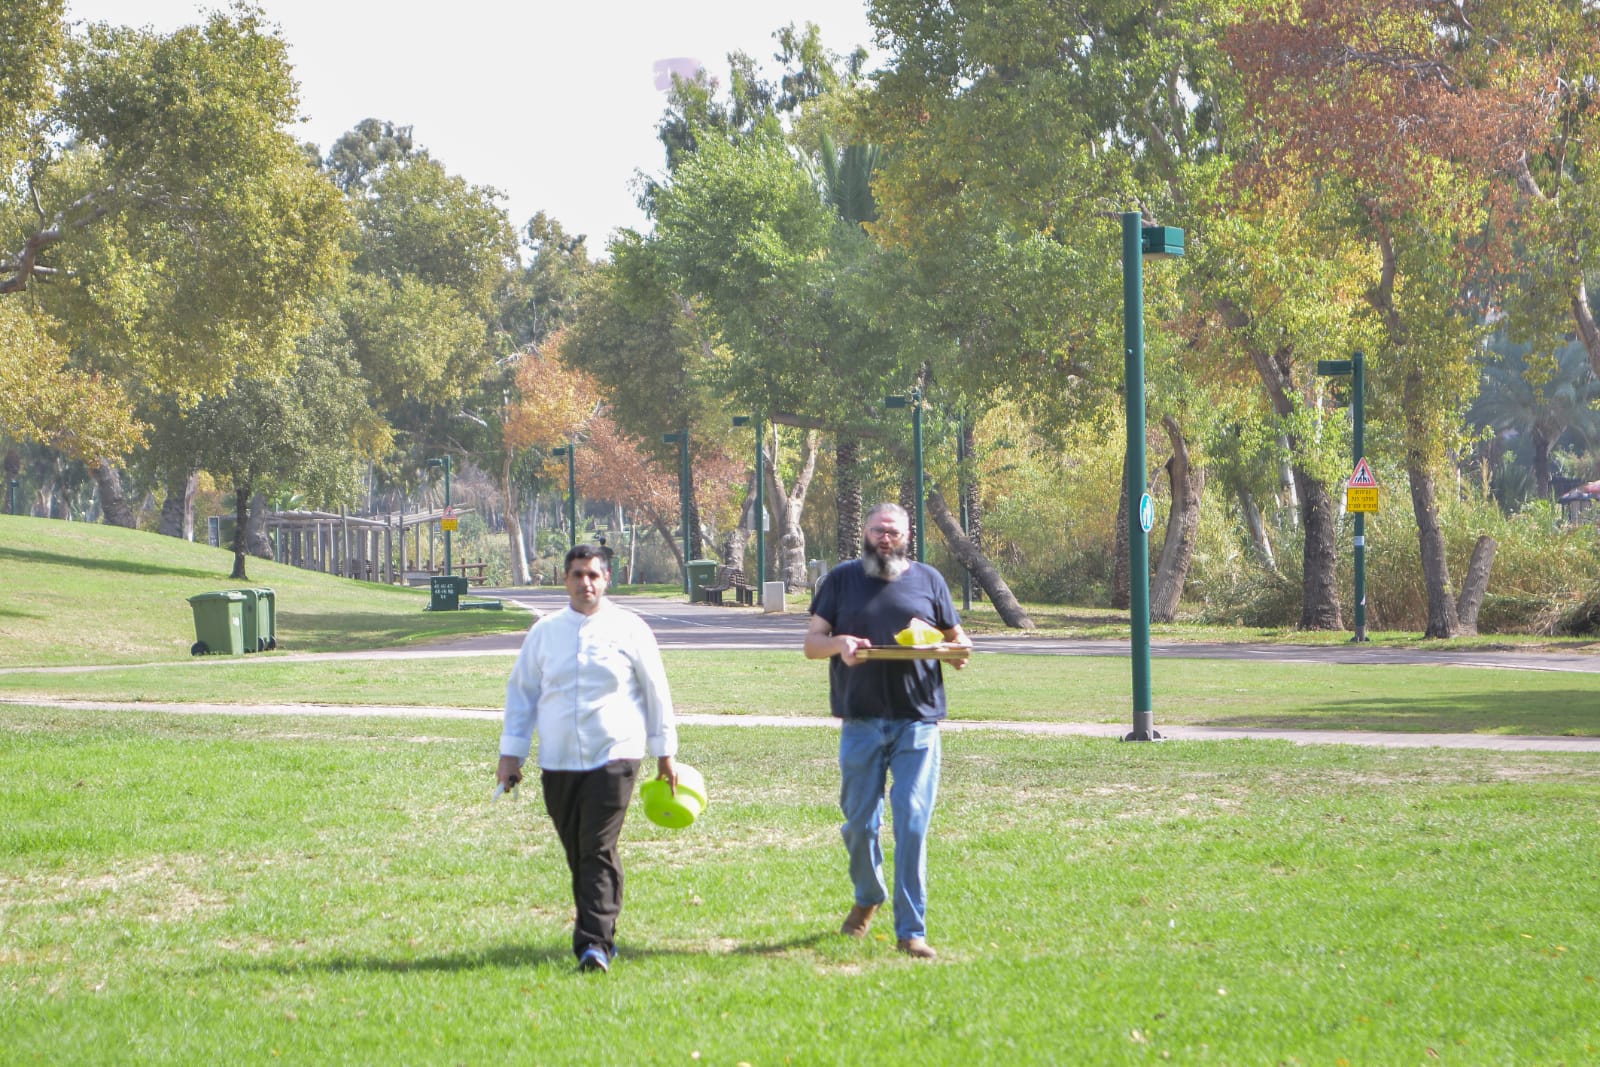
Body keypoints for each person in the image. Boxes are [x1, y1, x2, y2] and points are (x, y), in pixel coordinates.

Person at [497, 543, 679, 974]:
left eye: (594, 575)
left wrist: (665, 753)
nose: (586, 583)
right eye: (578, 575)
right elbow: (522, 693)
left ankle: (594, 944)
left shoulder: (630, 629)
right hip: (558, 760)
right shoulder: (545, 632)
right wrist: (511, 754)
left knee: (595, 847)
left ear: (607, 579)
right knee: (578, 849)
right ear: (565, 580)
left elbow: (657, 692)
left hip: (615, 752)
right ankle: (598, 931)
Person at [803, 502, 971, 960]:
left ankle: (911, 931)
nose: (885, 538)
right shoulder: (840, 580)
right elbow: (811, 645)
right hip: (860, 719)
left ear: (907, 535)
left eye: (893, 531)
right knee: (859, 824)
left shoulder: (929, 581)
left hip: (918, 720)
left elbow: (958, 644)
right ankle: (868, 894)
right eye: (878, 530)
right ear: (865, 532)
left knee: (912, 823)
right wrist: (840, 644)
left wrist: (953, 649)